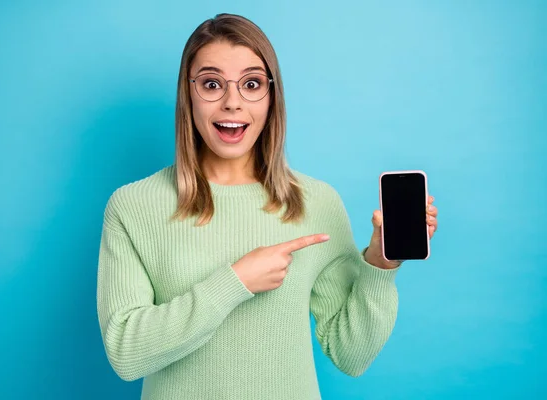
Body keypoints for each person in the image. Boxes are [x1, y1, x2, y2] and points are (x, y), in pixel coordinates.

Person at [96, 13, 439, 400]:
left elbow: (350, 354)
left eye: (251, 84)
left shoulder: (316, 203)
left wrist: (380, 264)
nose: (232, 103)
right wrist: (235, 282)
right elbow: (125, 353)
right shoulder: (133, 206)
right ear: (187, 93)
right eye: (211, 84)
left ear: (272, 96)